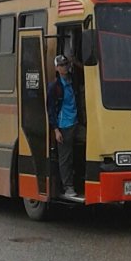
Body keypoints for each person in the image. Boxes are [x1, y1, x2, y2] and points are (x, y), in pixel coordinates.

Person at [46, 54, 81, 198]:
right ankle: (68, 187)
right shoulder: (55, 86)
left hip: (76, 123)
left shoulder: (73, 81)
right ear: (56, 68)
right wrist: (56, 130)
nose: (64, 67)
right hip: (63, 125)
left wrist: (75, 62)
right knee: (65, 158)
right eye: (61, 65)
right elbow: (51, 110)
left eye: (66, 64)